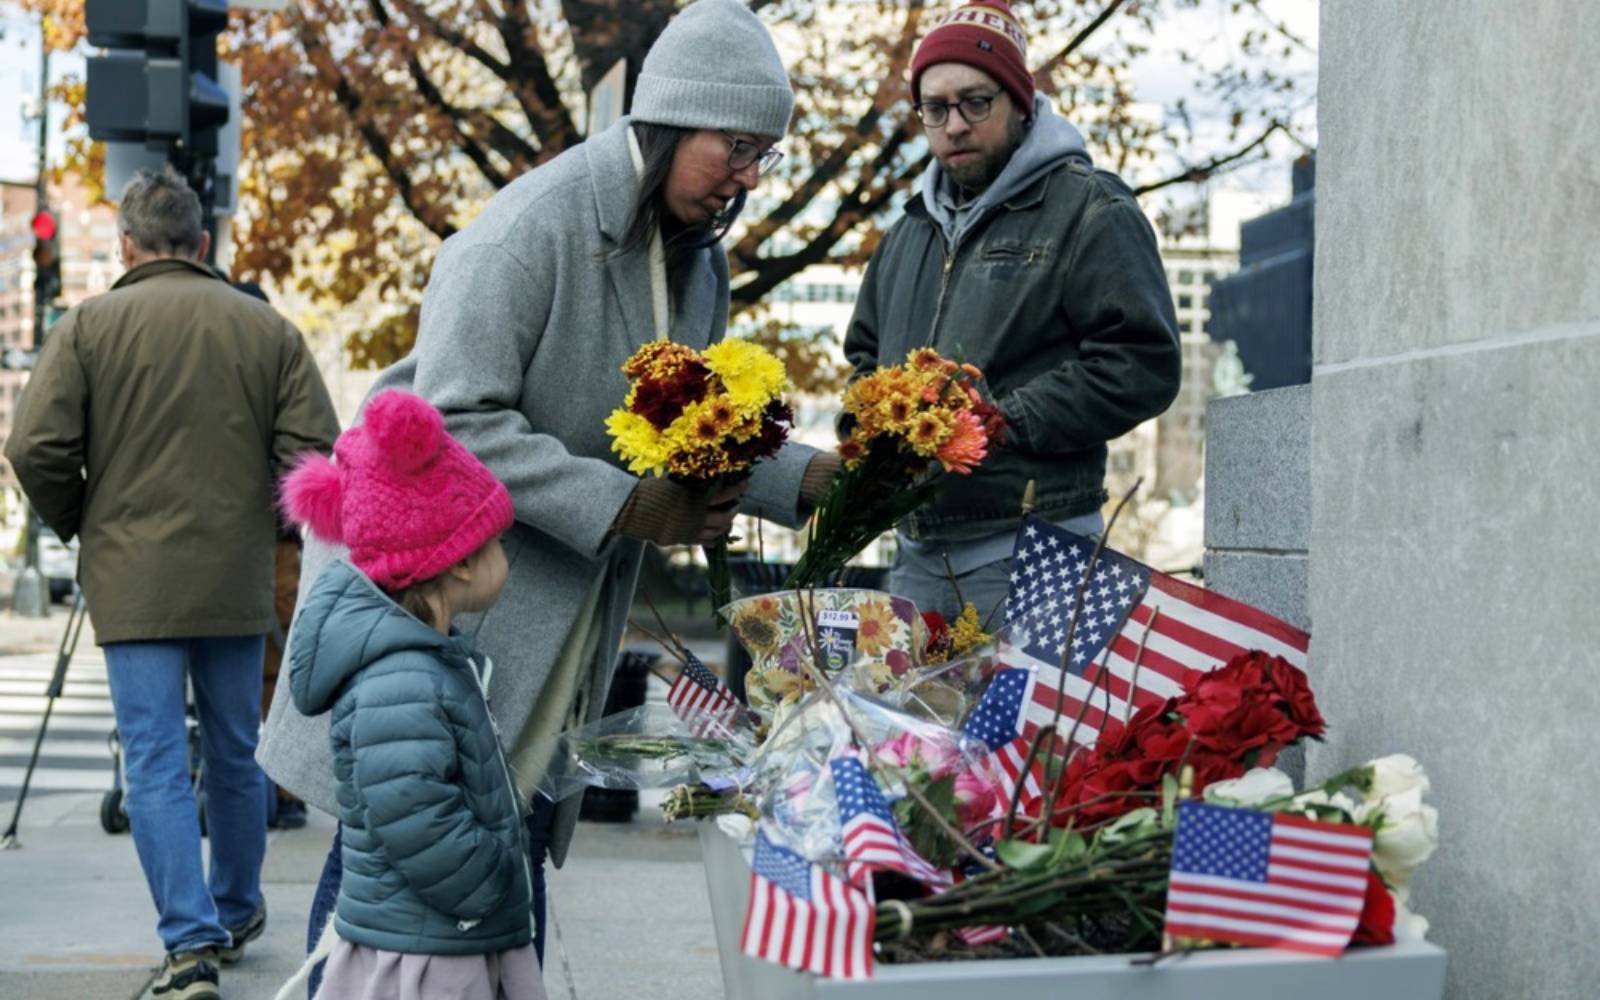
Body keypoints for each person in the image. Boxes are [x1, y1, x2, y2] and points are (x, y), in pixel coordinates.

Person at [255, 0, 840, 990]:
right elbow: (453, 418)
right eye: (735, 147)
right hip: (437, 611)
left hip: (541, 619)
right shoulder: (528, 231)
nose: (749, 176)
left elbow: (692, 420)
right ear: (669, 122)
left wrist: (814, 477)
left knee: (499, 872)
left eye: (763, 154)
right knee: (392, 887)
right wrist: (627, 508)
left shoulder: (695, 259)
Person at [5, 166, 339, 1000]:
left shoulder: (87, 327)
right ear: (202, 242)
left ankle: (189, 946)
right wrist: (262, 524)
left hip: (132, 580)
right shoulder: (266, 329)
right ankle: (237, 906)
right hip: (234, 575)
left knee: (153, 757)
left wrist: (84, 520)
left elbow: (34, 448)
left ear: (125, 245)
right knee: (236, 748)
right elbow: (313, 452)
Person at [843, 0, 1183, 625]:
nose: (954, 125)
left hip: (1038, 545)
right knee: (911, 698)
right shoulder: (907, 232)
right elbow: (865, 356)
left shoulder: (1091, 209)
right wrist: (865, 424)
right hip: (915, 550)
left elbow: (1143, 363)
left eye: (976, 103)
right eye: (935, 108)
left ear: (1021, 104)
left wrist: (1003, 421)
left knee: (1035, 701)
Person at [277, 389, 546, 1000]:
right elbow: (415, 813)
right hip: (428, 951)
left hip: (441, 934)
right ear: (460, 562)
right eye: (497, 541)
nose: (505, 555)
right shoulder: (402, 677)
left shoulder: (427, 660)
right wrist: (492, 874)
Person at [234, 280, 310, 831]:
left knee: (277, 665)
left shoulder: (271, 367)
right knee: (275, 666)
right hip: (267, 539)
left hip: (270, 541)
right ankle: (280, 789)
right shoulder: (278, 361)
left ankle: (284, 788)